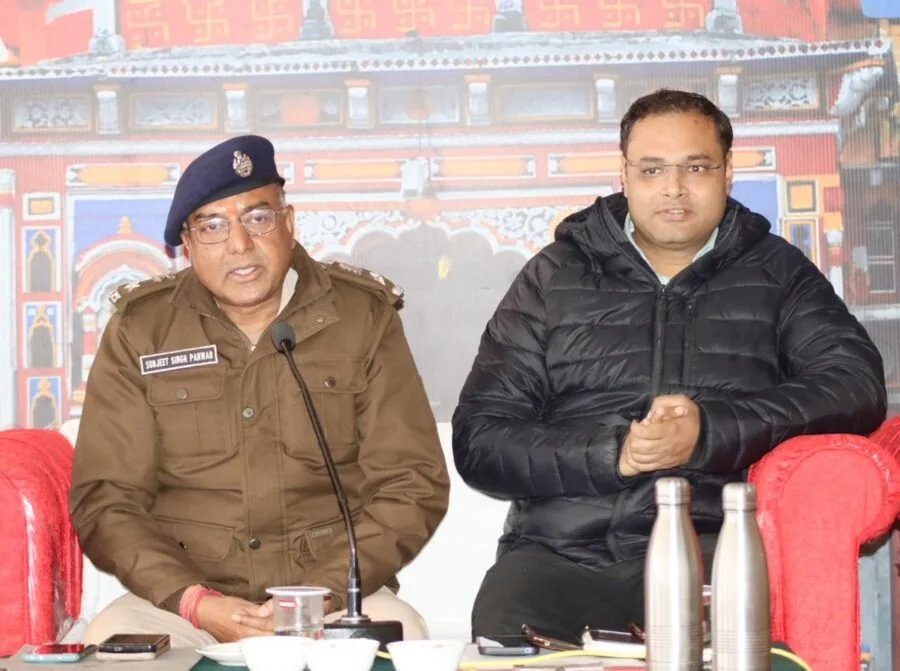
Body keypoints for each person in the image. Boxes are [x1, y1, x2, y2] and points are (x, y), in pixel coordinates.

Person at [452, 89, 886, 642]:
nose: (674, 188)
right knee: (502, 627)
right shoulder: (554, 276)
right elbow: (480, 440)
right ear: (624, 176)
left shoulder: (777, 272)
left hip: (710, 552)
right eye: (652, 169)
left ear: (728, 172)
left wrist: (710, 432)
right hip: (558, 555)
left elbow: (854, 384)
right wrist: (616, 453)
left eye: (696, 168)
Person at [69, 135, 450, 647]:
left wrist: (320, 593)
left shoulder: (361, 317)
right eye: (212, 226)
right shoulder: (143, 329)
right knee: (119, 647)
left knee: (400, 639)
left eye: (257, 218)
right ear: (187, 244)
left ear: (288, 223)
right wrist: (194, 600)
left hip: (332, 596)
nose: (239, 244)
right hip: (183, 599)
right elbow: (106, 498)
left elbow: (411, 482)